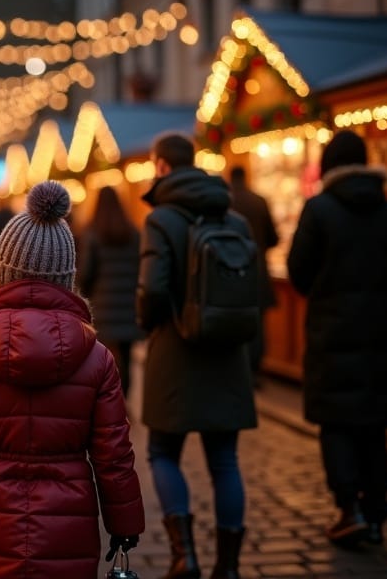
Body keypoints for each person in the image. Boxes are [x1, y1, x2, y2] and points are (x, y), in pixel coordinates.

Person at [0, 180, 145, 579]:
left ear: (1, 272)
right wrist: (125, 524)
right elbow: (113, 456)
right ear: (66, 277)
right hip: (68, 525)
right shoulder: (98, 358)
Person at [136, 132, 256, 579]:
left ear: (161, 166)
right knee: (224, 460)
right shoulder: (235, 219)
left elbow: (152, 288)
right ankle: (229, 566)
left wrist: (149, 325)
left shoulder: (161, 220)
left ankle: (184, 555)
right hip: (227, 351)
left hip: (176, 350)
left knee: (162, 451)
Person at [286, 130, 387, 548]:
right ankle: (376, 509)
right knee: (373, 423)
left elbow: (298, 271)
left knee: (336, 422)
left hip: (331, 332)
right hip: (382, 333)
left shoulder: (319, 210)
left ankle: (349, 507)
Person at [76, 184, 142, 398]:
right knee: (127, 357)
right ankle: (125, 397)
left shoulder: (92, 234)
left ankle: (111, 401)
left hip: (103, 308)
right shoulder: (133, 233)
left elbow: (86, 273)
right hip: (128, 308)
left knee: (106, 359)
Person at [227, 165, 279, 385]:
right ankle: (254, 370)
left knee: (232, 322)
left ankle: (238, 370)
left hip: (229, 274)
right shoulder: (259, 201)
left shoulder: (225, 203)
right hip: (257, 272)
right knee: (256, 326)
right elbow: (273, 238)